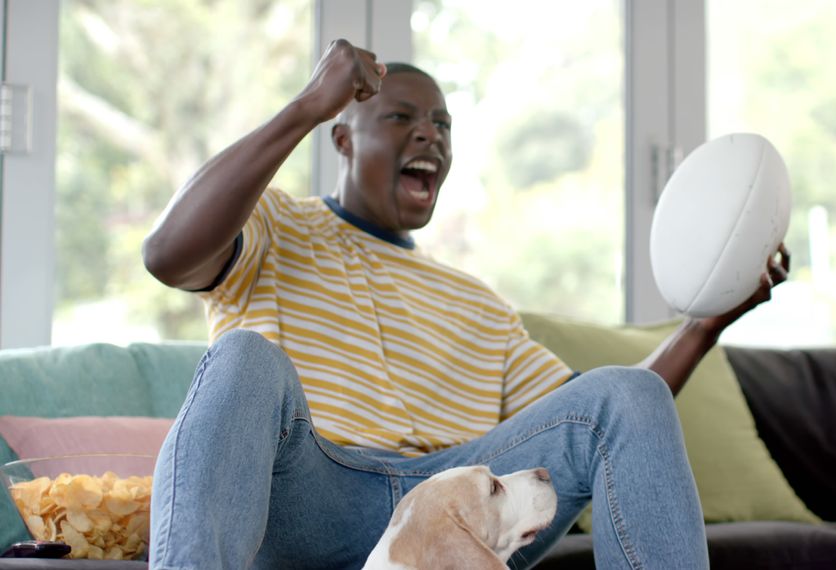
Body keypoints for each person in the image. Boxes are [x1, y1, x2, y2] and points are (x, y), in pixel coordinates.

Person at [142, 39, 789, 570]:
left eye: (443, 125)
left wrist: (705, 326)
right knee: (243, 357)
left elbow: (601, 427)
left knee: (626, 394)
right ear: (341, 140)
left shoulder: (482, 307)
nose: (430, 135)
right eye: (402, 118)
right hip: (313, 492)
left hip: (458, 502)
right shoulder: (275, 226)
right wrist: (307, 105)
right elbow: (167, 254)